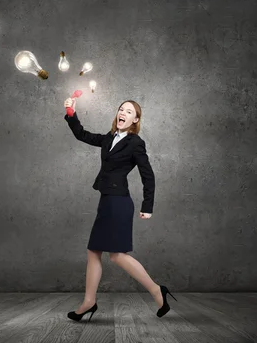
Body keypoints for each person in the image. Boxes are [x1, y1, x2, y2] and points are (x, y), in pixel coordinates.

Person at [62, 97, 176, 322]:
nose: (122, 112)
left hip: (119, 203)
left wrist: (148, 206)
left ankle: (155, 290)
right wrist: (71, 114)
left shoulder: (135, 143)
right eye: (121, 109)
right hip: (107, 200)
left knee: (116, 256)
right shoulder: (109, 138)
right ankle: (89, 301)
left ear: (136, 119)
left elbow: (148, 175)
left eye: (129, 111)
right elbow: (82, 134)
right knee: (94, 251)